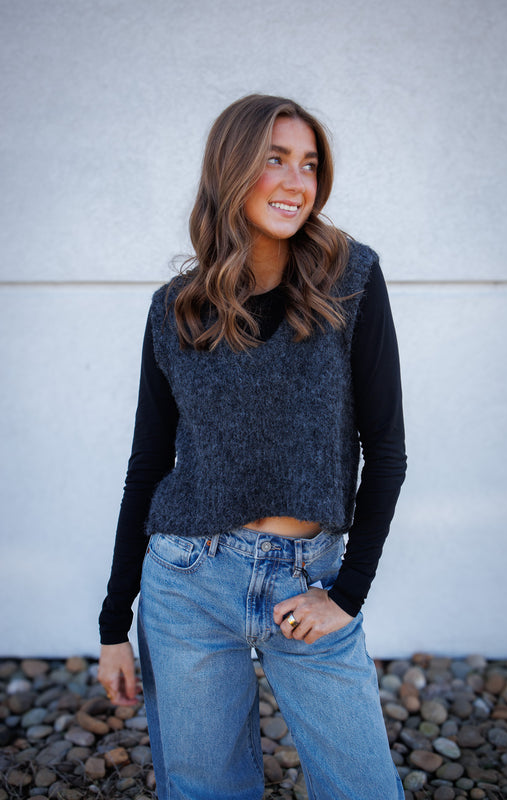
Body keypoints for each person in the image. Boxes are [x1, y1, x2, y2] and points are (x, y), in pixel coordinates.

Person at [98, 93, 407, 800]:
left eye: (308, 164)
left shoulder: (350, 278)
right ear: (231, 170)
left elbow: (384, 450)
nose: (297, 182)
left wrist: (347, 595)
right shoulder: (175, 309)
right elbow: (148, 467)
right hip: (186, 582)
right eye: (275, 160)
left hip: (309, 582)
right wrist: (115, 623)